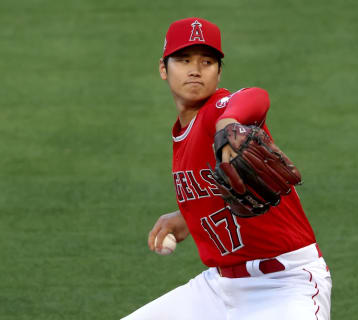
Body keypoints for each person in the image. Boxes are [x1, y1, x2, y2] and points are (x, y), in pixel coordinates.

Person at [122, 17, 332, 320]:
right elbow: (219, 192)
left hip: (287, 284)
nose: (195, 69)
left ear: (219, 72)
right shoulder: (182, 132)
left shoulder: (219, 111)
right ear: (163, 69)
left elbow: (256, 97)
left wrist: (227, 123)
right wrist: (187, 217)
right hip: (221, 288)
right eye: (184, 60)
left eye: (207, 61)